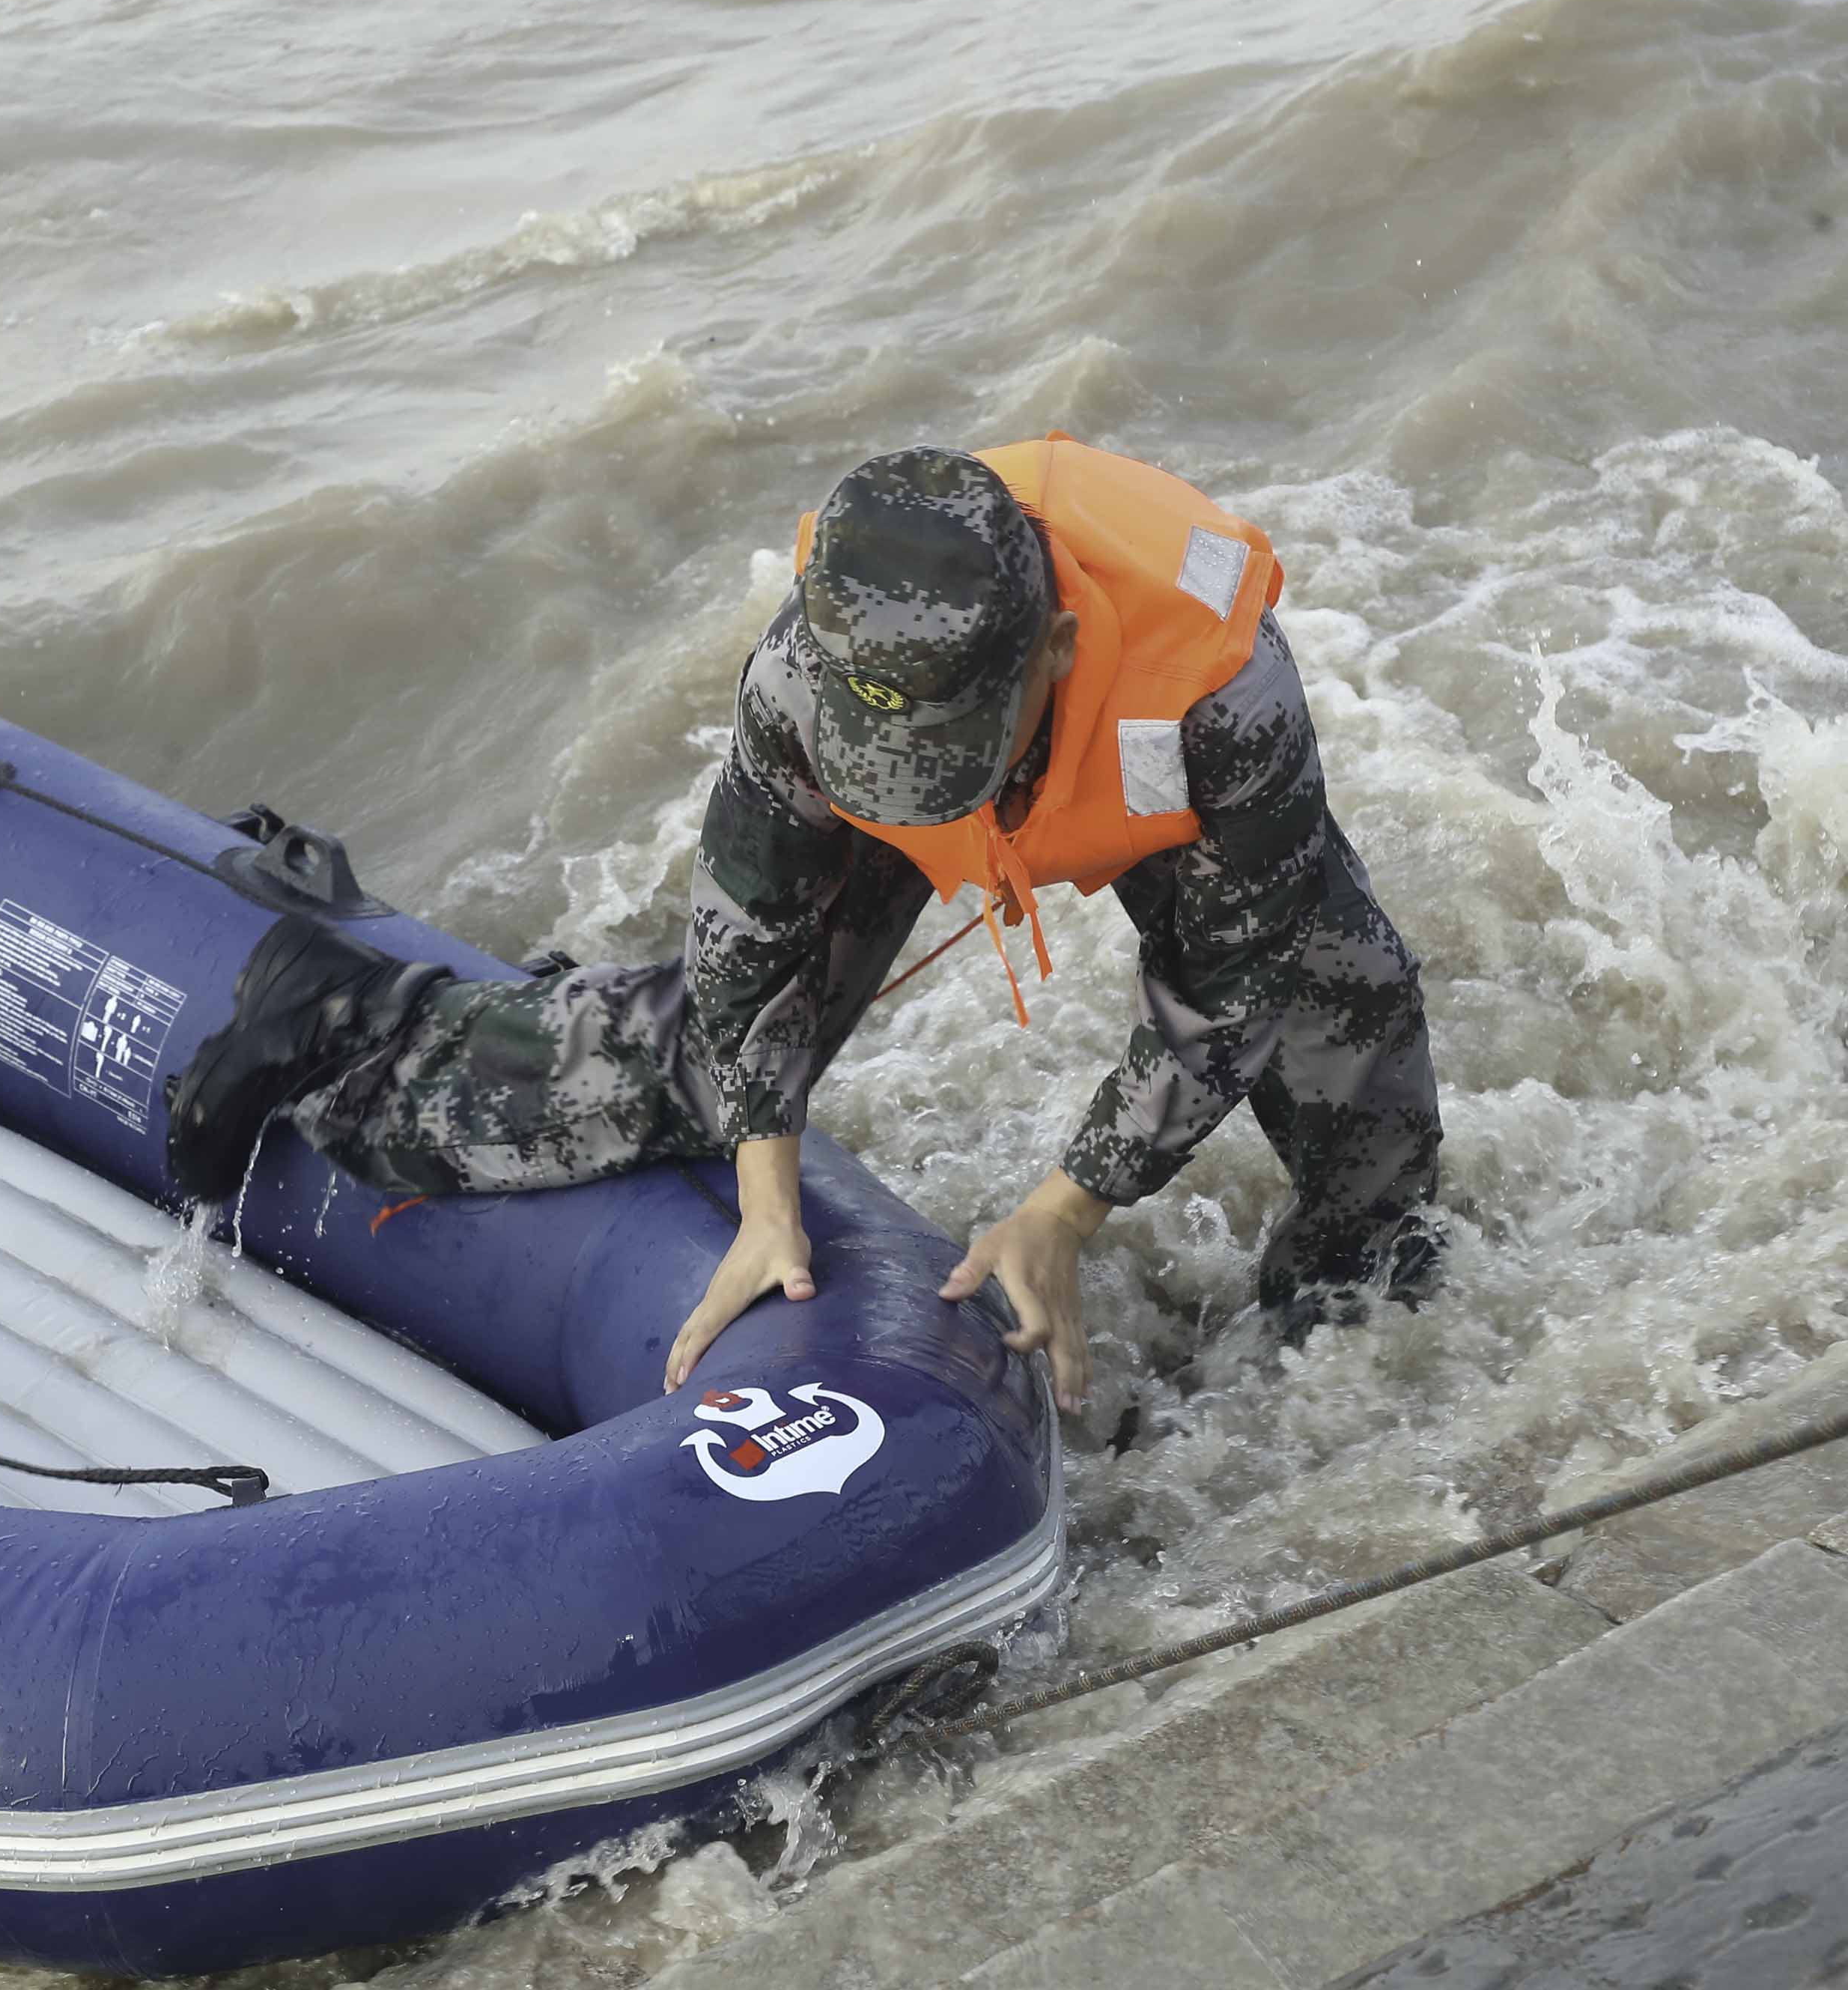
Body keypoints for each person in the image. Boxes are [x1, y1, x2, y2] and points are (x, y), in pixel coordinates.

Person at [165, 437, 1441, 1411]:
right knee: (701, 1080)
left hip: (1148, 774)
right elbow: (747, 942)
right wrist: (762, 1177)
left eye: (939, 747)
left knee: (1348, 1011)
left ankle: (1345, 1312)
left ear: (1054, 647)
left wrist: (1066, 1207)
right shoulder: (803, 677)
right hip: (914, 781)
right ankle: (356, 1013)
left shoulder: (1222, 691)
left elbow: (1229, 983)